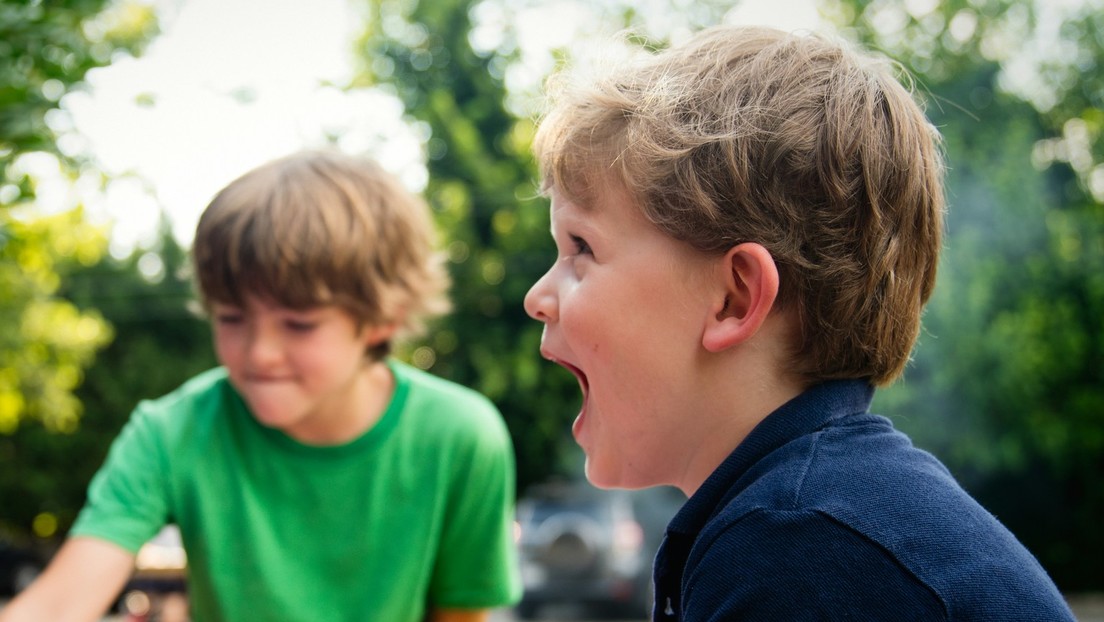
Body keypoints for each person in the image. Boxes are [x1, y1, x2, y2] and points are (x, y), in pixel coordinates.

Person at [523, 24, 1075, 621]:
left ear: (735, 298)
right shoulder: (826, 510)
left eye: (581, 247)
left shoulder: (795, 550)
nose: (536, 297)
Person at [1, 150, 521, 622]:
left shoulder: (461, 436)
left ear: (385, 318)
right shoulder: (172, 431)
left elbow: (460, 616)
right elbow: (63, 600)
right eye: (231, 318)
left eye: (298, 324)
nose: (258, 354)